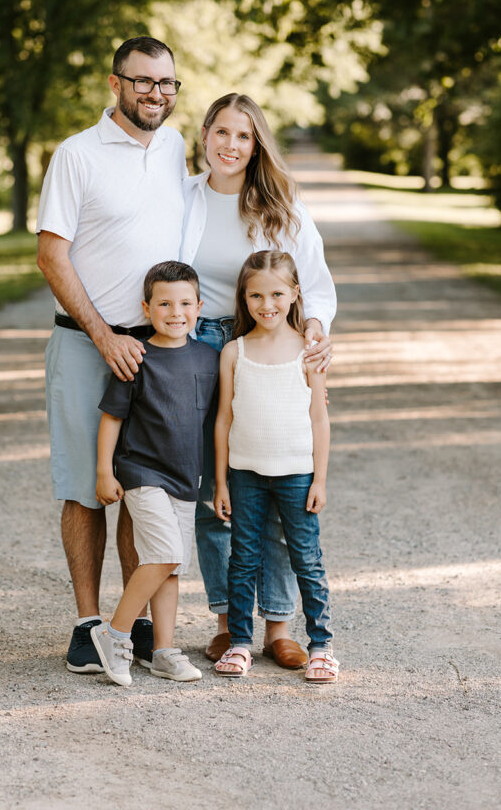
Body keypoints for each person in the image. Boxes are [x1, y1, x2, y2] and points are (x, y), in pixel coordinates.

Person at [36, 37, 187, 674]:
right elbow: (51, 255)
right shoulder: (77, 156)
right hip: (85, 341)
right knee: (85, 487)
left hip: (155, 350)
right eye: (143, 81)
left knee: (145, 487)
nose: (157, 93)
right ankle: (87, 623)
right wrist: (104, 336)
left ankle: (139, 623)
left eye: (168, 83)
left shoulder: (177, 149)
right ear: (114, 83)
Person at [180, 93, 336, 668]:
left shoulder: (281, 204)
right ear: (204, 136)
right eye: (221, 132)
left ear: (256, 143)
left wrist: (314, 335)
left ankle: (279, 626)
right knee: (213, 490)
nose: (230, 145)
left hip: (266, 346)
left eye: (243, 136)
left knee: (274, 484)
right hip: (198, 347)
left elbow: (314, 283)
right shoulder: (183, 198)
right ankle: (228, 621)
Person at [92, 261, 219, 687]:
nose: (175, 311)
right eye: (164, 303)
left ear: (199, 307)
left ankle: (163, 651)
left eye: (185, 303)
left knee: (172, 566)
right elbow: (111, 417)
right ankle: (114, 633)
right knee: (166, 553)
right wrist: (103, 473)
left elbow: (230, 411)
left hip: (187, 477)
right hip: (141, 471)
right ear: (147, 308)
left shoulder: (209, 358)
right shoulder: (136, 355)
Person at [213, 250, 338, 682]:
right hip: (245, 475)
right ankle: (240, 643)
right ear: (243, 299)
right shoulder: (234, 352)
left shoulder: (308, 351)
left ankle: (321, 646)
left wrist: (319, 478)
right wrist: (220, 481)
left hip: (297, 475)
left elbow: (319, 419)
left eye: (277, 294)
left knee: (306, 558)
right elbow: (224, 419)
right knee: (243, 559)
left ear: (295, 294)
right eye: (255, 296)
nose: (266, 304)